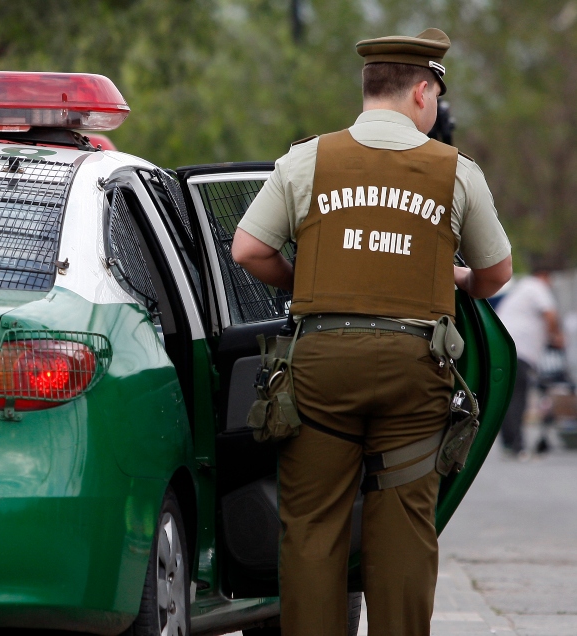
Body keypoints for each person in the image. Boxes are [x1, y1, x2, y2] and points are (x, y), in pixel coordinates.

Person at [230, 28, 512, 636]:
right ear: (420, 92)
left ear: (368, 89)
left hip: (322, 364)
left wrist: (300, 276)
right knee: (407, 524)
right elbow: (497, 273)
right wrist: (456, 279)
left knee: (311, 525)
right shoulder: (455, 170)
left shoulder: (307, 158)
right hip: (417, 369)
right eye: (435, 94)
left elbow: (247, 248)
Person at [495, 263, 565, 459]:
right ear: (544, 275)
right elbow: (550, 313)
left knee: (509, 397)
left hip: (506, 349)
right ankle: (517, 446)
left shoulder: (522, 289)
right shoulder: (536, 286)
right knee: (518, 398)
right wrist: (557, 336)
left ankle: (510, 443)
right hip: (519, 351)